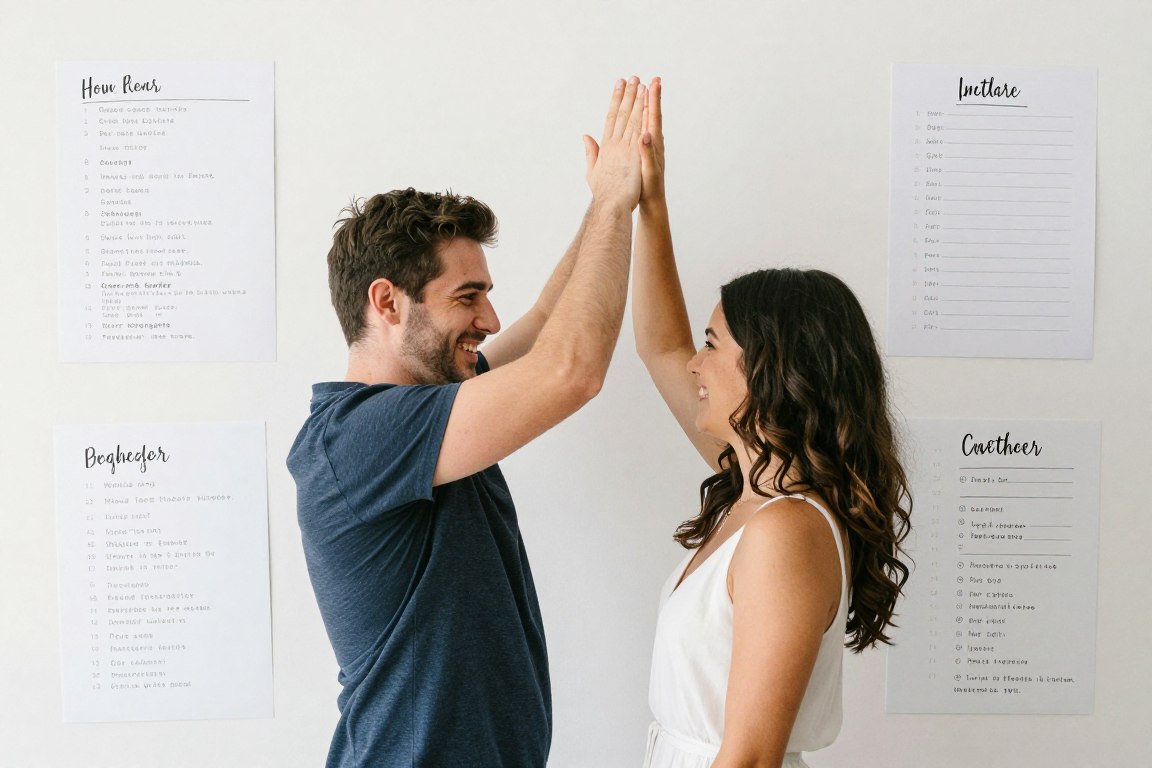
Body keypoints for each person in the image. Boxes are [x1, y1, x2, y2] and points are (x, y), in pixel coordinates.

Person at [287, 77, 653, 767]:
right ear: (387, 303)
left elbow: (549, 326)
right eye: (467, 296)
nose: (488, 321)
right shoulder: (361, 436)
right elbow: (571, 371)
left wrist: (612, 199)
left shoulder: (430, 410)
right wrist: (609, 202)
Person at [632, 78, 912, 768]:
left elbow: (751, 758)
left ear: (770, 371)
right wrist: (648, 204)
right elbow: (659, 347)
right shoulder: (749, 486)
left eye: (714, 343)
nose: (695, 363)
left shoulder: (786, 530)